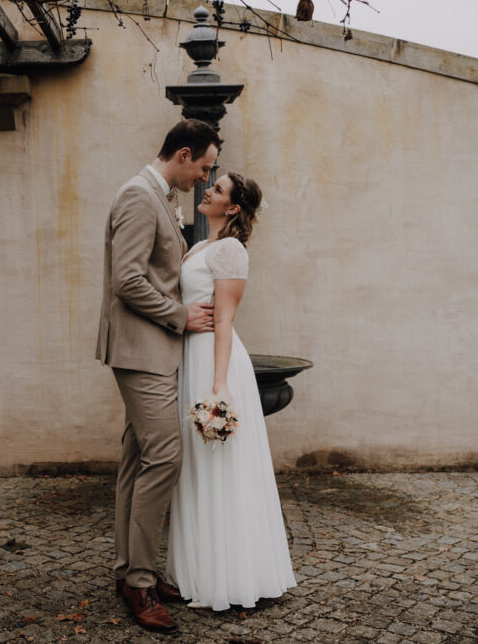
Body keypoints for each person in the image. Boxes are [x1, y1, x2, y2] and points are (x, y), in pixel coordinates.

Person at [95, 119, 221, 633]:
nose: (205, 178)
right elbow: (127, 280)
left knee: (137, 460)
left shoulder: (158, 194)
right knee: (165, 456)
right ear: (184, 153)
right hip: (142, 350)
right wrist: (180, 316)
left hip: (152, 351)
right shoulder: (139, 197)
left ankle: (129, 570)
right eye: (204, 167)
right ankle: (141, 584)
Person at [167, 171, 297, 610]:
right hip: (192, 357)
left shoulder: (231, 250)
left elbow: (224, 319)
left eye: (218, 189)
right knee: (197, 469)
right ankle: (199, 569)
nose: (208, 190)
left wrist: (219, 386)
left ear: (234, 207)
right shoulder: (202, 246)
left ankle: (232, 575)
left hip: (214, 361)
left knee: (220, 467)